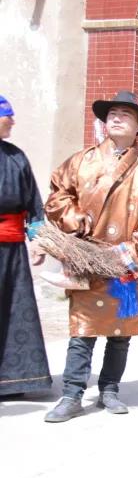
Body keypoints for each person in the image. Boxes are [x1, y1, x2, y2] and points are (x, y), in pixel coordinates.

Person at [43, 90, 138, 422]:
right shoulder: (80, 161)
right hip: (86, 259)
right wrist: (74, 219)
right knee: (82, 331)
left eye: (125, 114)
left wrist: (130, 253)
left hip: (126, 263)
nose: (116, 118)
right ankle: (72, 394)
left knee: (120, 334)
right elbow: (57, 196)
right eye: (112, 113)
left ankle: (110, 389)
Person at [0, 94, 51, 397]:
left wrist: (38, 240)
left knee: (13, 308)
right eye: (8, 116)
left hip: (12, 249)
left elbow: (33, 204)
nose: (13, 122)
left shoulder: (16, 157)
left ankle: (13, 380)